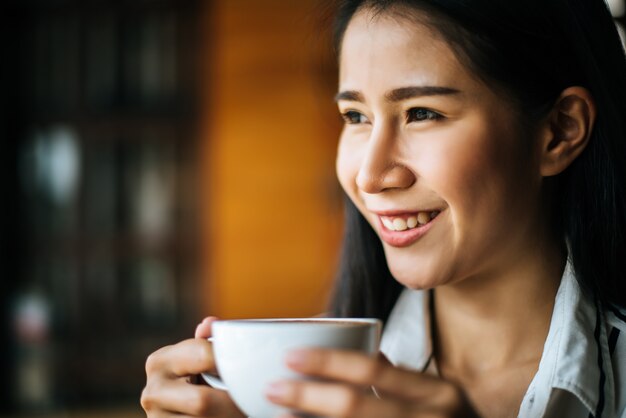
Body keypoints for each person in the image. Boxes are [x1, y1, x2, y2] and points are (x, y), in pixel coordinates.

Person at [140, 0, 626, 416]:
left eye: (422, 113)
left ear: (560, 131)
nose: (370, 176)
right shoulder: (302, 397)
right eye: (355, 116)